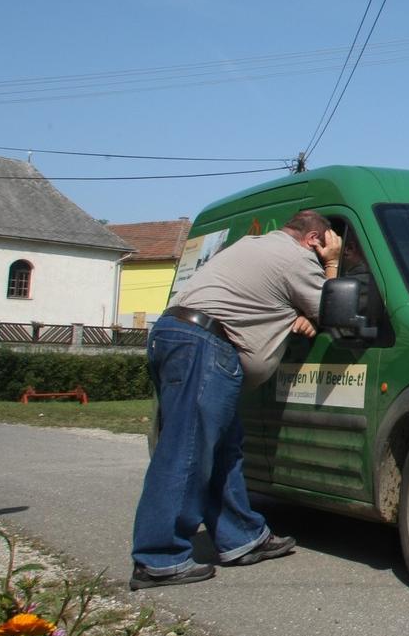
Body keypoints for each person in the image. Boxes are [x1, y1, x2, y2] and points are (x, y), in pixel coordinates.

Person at [129, 210, 342, 590]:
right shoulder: (297, 259)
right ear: (314, 239)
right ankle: (159, 557)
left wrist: (296, 309)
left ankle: (241, 536)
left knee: (225, 448)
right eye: (324, 245)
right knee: (187, 451)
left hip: (179, 335)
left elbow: (262, 294)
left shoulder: (256, 244)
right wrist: (333, 263)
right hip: (204, 346)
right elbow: (335, 312)